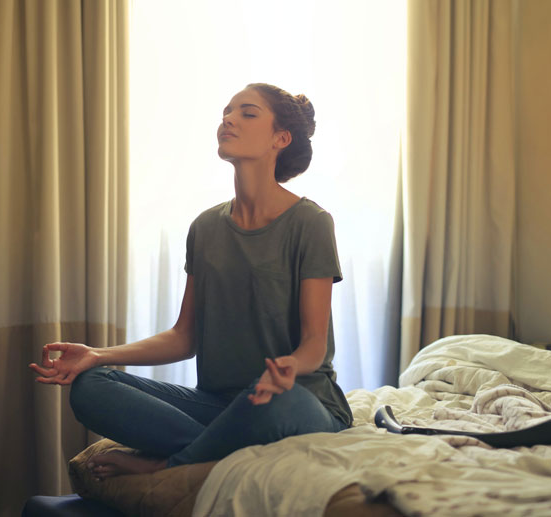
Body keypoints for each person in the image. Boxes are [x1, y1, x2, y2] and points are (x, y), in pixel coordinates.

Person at [29, 83, 352, 480]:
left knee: (274, 404)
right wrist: (99, 354)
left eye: (247, 113)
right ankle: (217, 448)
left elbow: (315, 342)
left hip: (294, 400)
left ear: (280, 139)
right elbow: (184, 337)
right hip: (218, 405)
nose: (228, 119)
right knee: (92, 386)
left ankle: (171, 464)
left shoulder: (311, 223)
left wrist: (290, 365)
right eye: (226, 112)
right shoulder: (205, 227)